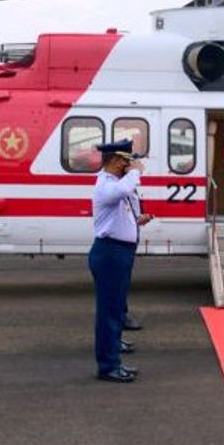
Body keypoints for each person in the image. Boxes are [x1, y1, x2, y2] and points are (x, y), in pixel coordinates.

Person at [89, 139, 153, 383]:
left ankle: (113, 354)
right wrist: (135, 172)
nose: (131, 165)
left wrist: (137, 222)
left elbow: (119, 215)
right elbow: (123, 191)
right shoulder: (107, 184)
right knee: (109, 313)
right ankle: (108, 366)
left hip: (117, 253)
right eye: (127, 161)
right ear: (116, 161)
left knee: (115, 310)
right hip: (110, 254)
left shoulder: (114, 184)